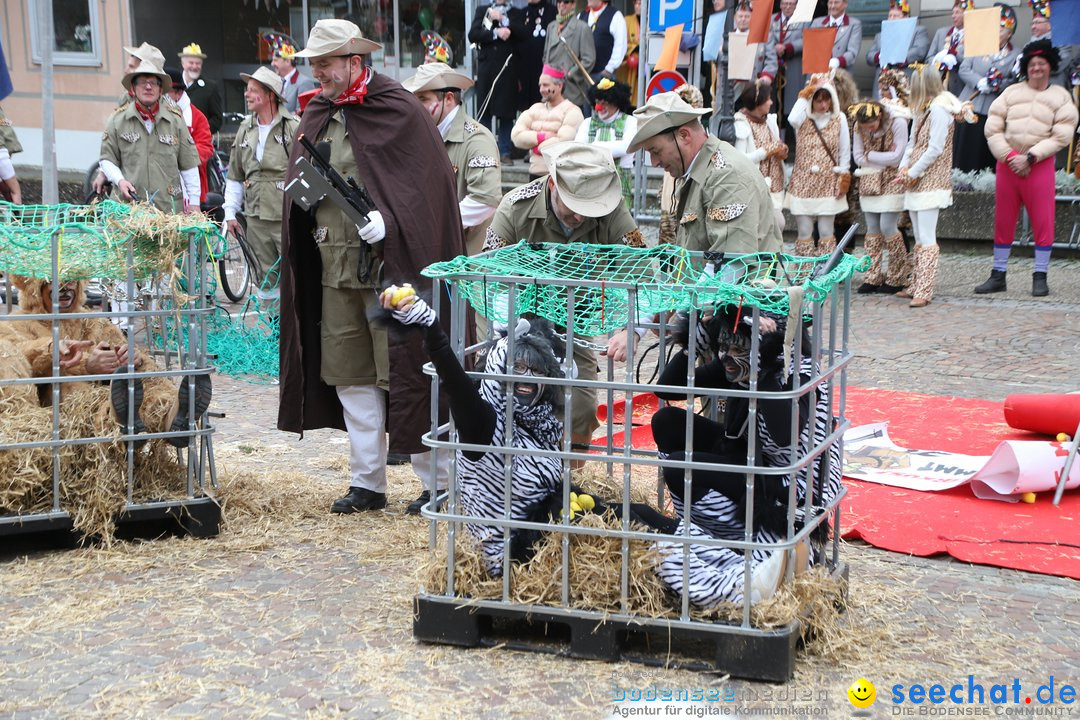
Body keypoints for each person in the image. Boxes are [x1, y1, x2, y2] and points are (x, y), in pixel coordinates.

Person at [278, 19, 467, 515]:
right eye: (313, 64)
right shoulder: (318, 112)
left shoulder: (398, 109)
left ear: (355, 62)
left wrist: (393, 221)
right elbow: (302, 182)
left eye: (325, 63)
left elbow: (427, 190)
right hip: (333, 271)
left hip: (391, 272)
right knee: (351, 377)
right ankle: (368, 483)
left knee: (409, 373)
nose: (317, 72)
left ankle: (438, 484)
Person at [648, 306, 841, 608]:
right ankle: (718, 532)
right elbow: (668, 388)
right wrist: (694, 343)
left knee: (679, 468)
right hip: (752, 460)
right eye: (722, 346)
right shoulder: (736, 364)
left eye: (737, 347)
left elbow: (784, 434)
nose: (725, 356)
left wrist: (761, 370)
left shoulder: (800, 371)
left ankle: (732, 540)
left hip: (790, 482)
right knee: (667, 422)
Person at [482, 143, 644, 460]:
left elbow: (639, 274)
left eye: (589, 207)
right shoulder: (515, 207)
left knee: (581, 407)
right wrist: (508, 331)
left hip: (577, 324)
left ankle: (569, 478)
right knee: (514, 401)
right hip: (521, 322)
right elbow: (491, 276)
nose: (580, 215)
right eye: (573, 204)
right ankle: (521, 473)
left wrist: (631, 330)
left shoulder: (613, 211)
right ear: (553, 184)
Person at [3, 275, 210, 447]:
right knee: (72, 388)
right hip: (60, 409)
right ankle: (119, 424)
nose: (65, 289)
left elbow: (121, 346)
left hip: (112, 392)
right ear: (34, 291)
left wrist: (133, 358)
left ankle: (172, 416)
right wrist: (82, 363)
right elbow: (15, 355)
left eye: (71, 281)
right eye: (55, 282)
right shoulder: (19, 322)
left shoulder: (92, 319)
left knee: (142, 379)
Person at [975, 41, 1078, 298]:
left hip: (1039, 166)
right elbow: (993, 128)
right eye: (1032, 64)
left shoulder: (1061, 96)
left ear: (1050, 66)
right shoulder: (1009, 93)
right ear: (1026, 67)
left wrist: (1031, 157)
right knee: (1004, 220)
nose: (1036, 68)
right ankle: (998, 275)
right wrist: (1010, 156)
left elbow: (1062, 135)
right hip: (1008, 164)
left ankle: (1040, 276)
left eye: (1041, 64)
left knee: (1043, 220)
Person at [626, 91, 783, 255]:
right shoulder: (698, 170)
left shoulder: (726, 175)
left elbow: (731, 266)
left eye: (656, 151)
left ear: (684, 136)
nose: (654, 162)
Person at [403, 62, 503, 257]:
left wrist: (428, 224)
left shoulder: (477, 139)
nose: (415, 106)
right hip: (429, 257)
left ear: (448, 98)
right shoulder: (420, 136)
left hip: (468, 262)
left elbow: (485, 200)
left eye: (423, 99)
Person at [223, 66, 299, 299]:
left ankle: (294, 331)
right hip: (256, 218)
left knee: (294, 273)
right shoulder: (245, 128)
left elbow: (307, 173)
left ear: (269, 95)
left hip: (286, 217)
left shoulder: (292, 127)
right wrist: (230, 213)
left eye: (253, 90)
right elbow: (235, 174)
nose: (247, 95)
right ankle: (273, 331)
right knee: (264, 277)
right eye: (247, 90)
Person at [895, 65, 964, 308]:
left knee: (926, 235)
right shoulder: (923, 109)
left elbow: (935, 148)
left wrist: (912, 171)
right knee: (919, 234)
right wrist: (904, 168)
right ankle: (916, 283)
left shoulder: (938, 109)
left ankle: (924, 288)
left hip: (930, 180)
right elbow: (913, 144)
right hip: (917, 179)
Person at [97, 59, 201, 214]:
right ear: (133, 88)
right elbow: (107, 159)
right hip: (127, 211)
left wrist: (194, 203)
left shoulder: (175, 121)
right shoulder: (117, 120)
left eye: (153, 83)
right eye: (142, 82)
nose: (148, 87)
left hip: (167, 211)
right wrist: (120, 181)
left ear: (160, 89)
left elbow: (189, 165)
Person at [785, 75, 851, 256]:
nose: (823, 105)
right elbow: (791, 118)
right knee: (805, 232)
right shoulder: (802, 119)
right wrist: (806, 93)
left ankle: (825, 275)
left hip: (828, 181)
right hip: (803, 182)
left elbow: (844, 152)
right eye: (818, 100)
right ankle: (803, 275)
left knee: (826, 232)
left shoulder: (840, 119)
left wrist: (843, 179)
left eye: (826, 99)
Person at [850, 99, 910, 295]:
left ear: (880, 116)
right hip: (870, 180)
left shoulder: (898, 122)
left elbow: (898, 157)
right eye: (865, 127)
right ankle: (872, 276)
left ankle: (897, 275)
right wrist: (880, 157)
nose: (869, 130)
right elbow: (858, 157)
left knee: (888, 226)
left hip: (892, 181)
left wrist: (871, 155)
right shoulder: (857, 127)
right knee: (873, 229)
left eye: (873, 125)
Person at [955, 3, 1019, 173]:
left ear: (1009, 34)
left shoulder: (1015, 54)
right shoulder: (979, 44)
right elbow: (964, 68)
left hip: (993, 108)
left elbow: (1013, 80)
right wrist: (979, 82)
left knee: (984, 150)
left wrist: (998, 85)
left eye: (1001, 29)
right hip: (970, 105)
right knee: (965, 148)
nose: (996, 32)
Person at [468, 0, 523, 164]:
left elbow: (522, 34)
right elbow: (473, 35)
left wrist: (505, 22)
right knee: (484, 111)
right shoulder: (483, 10)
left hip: (507, 70)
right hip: (487, 69)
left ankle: (504, 152)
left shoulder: (515, 13)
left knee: (506, 114)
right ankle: (485, 151)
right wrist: (495, 32)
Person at [511, 65, 585, 179]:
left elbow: (563, 141)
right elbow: (516, 136)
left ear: (559, 86)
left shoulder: (572, 110)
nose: (541, 90)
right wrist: (541, 137)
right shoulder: (535, 108)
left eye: (545, 85)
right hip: (534, 174)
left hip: (559, 177)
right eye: (540, 85)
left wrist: (536, 147)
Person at [573, 78, 637, 207]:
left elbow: (626, 147)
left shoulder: (630, 122)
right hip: (591, 183)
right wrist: (611, 150)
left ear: (616, 102)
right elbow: (579, 150)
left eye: (605, 102)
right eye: (597, 102)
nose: (599, 107)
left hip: (619, 185)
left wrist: (592, 147)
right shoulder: (587, 123)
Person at [732, 80, 787, 231]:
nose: (770, 102)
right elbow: (740, 158)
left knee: (773, 228)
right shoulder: (742, 123)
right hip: (755, 187)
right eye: (767, 98)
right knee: (776, 224)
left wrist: (781, 151)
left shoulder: (769, 121)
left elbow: (775, 144)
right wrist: (766, 151)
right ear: (758, 102)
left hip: (774, 186)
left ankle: (769, 254)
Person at [163, 66, 214, 207]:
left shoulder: (197, 117)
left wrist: (180, 156)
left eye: (166, 92)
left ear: (178, 93)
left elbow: (206, 148)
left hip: (191, 188)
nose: (161, 96)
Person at [865, 1, 929, 100]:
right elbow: (869, 56)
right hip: (883, 82)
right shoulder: (880, 35)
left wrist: (897, 57)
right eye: (890, 16)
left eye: (895, 16)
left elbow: (919, 51)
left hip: (905, 79)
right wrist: (880, 56)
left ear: (906, 17)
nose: (891, 18)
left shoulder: (918, 31)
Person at [543, 0, 595, 109]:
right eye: (558, 1)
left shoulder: (582, 28)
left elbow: (589, 60)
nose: (561, 4)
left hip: (570, 90)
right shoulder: (551, 27)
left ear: (573, 4)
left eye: (566, 2)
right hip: (550, 89)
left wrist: (570, 74)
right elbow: (545, 56)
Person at [769, 0, 806, 152]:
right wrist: (774, 47)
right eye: (785, 4)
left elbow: (806, 39)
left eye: (791, 4)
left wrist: (788, 47)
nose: (788, 7)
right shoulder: (772, 19)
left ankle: (790, 145)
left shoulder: (803, 20)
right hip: (773, 68)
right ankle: (776, 140)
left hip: (793, 68)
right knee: (773, 106)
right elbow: (763, 38)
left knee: (790, 107)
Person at [1013, 2, 1072, 91]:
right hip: (1031, 91)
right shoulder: (1028, 45)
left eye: (1037, 23)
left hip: (1053, 90)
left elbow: (1058, 65)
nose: (1033, 27)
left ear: (1049, 25)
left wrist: (1031, 62)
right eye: (1032, 23)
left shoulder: (1061, 42)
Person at [726, 1, 778, 101]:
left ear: (752, 18)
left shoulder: (763, 36)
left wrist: (765, 78)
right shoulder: (727, 36)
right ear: (735, 18)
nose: (743, 20)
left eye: (747, 16)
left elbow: (771, 61)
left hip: (755, 88)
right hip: (731, 89)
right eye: (740, 16)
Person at [518, 0, 558, 110]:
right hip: (524, 73)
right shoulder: (522, 13)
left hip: (545, 71)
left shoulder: (553, 12)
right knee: (526, 112)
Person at [926, 0, 970, 98]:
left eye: (957, 12)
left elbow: (973, 63)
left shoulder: (973, 35)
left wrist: (955, 55)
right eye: (953, 12)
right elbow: (928, 58)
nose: (953, 16)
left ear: (967, 14)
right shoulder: (941, 33)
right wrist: (938, 62)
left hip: (959, 88)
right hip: (937, 86)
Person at [178, 43, 223, 135]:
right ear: (183, 64)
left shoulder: (210, 87)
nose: (194, 67)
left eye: (198, 63)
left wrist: (201, 133)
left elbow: (217, 119)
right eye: (191, 63)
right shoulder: (172, 84)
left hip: (199, 144)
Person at [807, 0, 863, 73]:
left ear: (845, 4)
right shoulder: (817, 23)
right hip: (817, 72)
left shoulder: (854, 24)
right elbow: (809, 48)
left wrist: (837, 61)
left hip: (840, 74)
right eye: (830, 3)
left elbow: (852, 52)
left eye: (836, 2)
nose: (832, 6)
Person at [578, 0, 627, 83]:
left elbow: (620, 46)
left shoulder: (615, 16)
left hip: (604, 75)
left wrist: (609, 69)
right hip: (582, 75)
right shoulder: (581, 16)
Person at [268, 36, 318, 115]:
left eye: (275, 60)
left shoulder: (304, 83)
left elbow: (305, 114)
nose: (272, 64)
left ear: (288, 61)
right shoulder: (277, 82)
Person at [615, 0, 640, 99]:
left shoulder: (652, 22)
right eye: (636, 4)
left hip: (645, 66)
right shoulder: (627, 20)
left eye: (640, 4)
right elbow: (621, 43)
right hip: (630, 64)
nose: (637, 6)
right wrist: (635, 47)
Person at [0, 104, 23, 204]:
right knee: (15, 191)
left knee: (6, 188)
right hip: (2, 153)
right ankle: (18, 217)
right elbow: (6, 128)